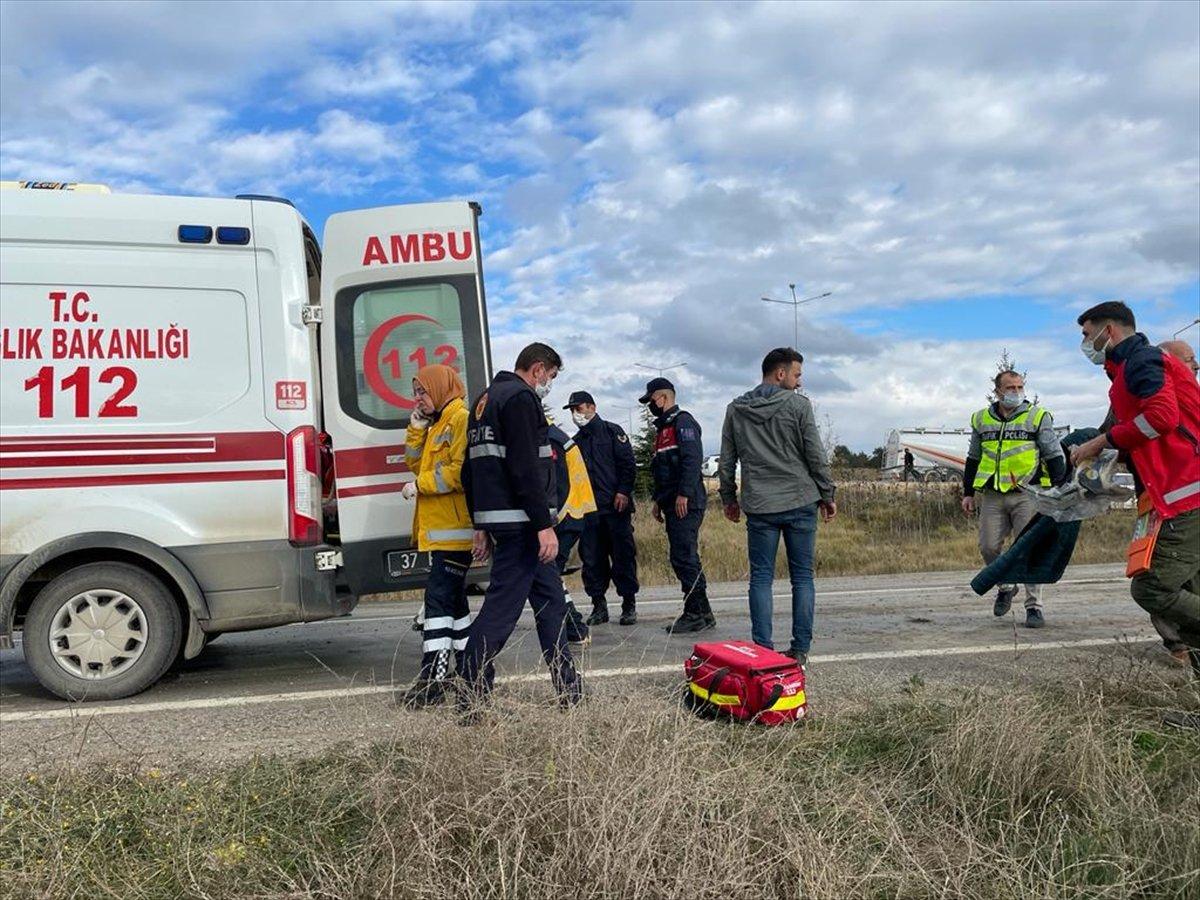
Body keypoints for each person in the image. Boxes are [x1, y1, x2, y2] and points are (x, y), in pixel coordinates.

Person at [1070, 302, 1200, 677]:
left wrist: (1102, 442)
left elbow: (1161, 418)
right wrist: (1108, 454)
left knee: (1153, 589)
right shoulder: (1128, 370)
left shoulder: (1141, 362)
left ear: (1107, 330)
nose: (1085, 343)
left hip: (1186, 495)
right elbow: (1153, 432)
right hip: (1174, 494)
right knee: (1190, 599)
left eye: (1085, 334)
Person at [459, 343, 582, 712]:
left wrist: (480, 523)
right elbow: (526, 467)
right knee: (501, 610)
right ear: (539, 368)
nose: (549, 384)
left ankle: (569, 688)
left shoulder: (484, 400)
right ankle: (471, 694)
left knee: (551, 603)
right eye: (552, 377)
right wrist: (543, 525)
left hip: (503, 520)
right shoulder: (521, 398)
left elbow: (472, 471)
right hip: (524, 524)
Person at [718, 348, 837, 666]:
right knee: (802, 577)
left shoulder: (736, 409)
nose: (799, 383)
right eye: (797, 375)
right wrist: (827, 494)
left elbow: (727, 460)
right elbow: (815, 454)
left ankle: (762, 649)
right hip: (800, 501)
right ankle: (799, 649)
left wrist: (728, 498)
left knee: (760, 578)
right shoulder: (798, 406)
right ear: (780, 373)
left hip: (760, 505)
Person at [962, 369, 1067, 628]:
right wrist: (967, 492)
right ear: (998, 391)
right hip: (993, 494)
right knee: (988, 547)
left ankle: (1034, 607)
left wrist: (1060, 490)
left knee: (1030, 549)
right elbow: (973, 458)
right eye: (1010, 388)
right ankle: (1006, 585)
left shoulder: (1037, 416)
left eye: (1020, 387)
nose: (1016, 392)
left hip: (1027, 494)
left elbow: (1053, 454)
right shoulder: (981, 419)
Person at [395, 364, 473, 707]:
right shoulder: (438, 422)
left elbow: (458, 473)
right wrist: (415, 429)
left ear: (440, 389)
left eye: (422, 392)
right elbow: (416, 464)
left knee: (438, 603)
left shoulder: (460, 419)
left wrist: (420, 486)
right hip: (440, 532)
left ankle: (434, 681)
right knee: (453, 604)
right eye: (416, 393)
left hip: (455, 532)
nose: (418, 398)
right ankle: (468, 672)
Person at [639, 376, 714, 633]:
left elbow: (692, 460)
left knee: (683, 557)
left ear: (663, 398)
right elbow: (663, 471)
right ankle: (704, 613)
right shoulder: (663, 430)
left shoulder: (683, 422)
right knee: (685, 556)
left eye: (651, 400)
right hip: (672, 502)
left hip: (686, 502)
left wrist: (683, 494)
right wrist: (658, 502)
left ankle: (694, 612)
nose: (650, 406)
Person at [565, 391, 640, 626]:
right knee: (592, 559)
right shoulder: (575, 442)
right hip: (589, 512)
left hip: (616, 508)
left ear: (592, 407)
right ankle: (599, 606)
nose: (576, 414)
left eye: (579, 408)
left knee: (623, 556)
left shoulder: (612, 432)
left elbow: (628, 465)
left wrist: (623, 491)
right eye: (573, 410)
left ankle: (629, 605)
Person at [546, 409, 596, 644]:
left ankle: (574, 626)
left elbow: (560, 485)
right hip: (570, 514)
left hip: (568, 515)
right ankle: (573, 627)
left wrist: (549, 521)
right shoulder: (551, 433)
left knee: (549, 574)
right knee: (549, 574)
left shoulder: (550, 437)